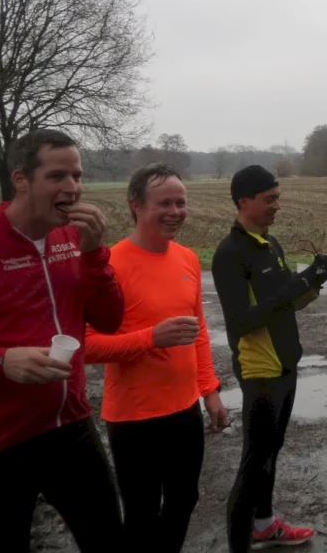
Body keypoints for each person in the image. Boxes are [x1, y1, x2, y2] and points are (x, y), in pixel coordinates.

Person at [0, 129, 125, 552]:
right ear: (21, 180)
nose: (73, 188)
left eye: (77, 176)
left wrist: (94, 253)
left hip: (72, 424)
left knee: (107, 539)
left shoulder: (72, 238)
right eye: (57, 177)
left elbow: (109, 320)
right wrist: (1, 360)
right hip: (3, 437)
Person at [85, 163, 229, 552]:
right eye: (164, 202)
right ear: (136, 206)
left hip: (183, 411)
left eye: (181, 202)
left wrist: (209, 390)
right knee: (142, 515)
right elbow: (86, 346)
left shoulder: (188, 259)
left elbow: (198, 331)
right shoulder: (111, 265)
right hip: (134, 418)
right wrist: (150, 338)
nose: (176, 211)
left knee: (185, 501)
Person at [212, 165, 327, 552]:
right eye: (270, 200)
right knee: (252, 465)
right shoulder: (231, 253)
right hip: (259, 367)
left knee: (270, 453)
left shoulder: (270, 243)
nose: (276, 206)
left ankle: (264, 525)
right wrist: (296, 285)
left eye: (277, 198)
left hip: (285, 363)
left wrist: (313, 281)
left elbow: (287, 303)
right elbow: (241, 322)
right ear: (244, 202)